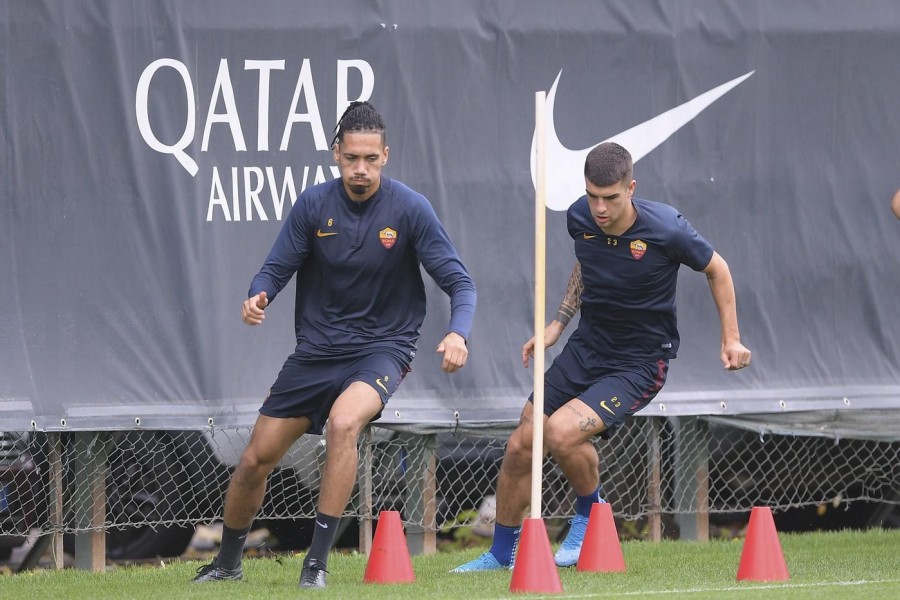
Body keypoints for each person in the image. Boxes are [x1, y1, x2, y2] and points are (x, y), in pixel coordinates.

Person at [193, 101, 476, 588]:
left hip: (383, 350)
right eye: (351, 159)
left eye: (370, 159)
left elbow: (460, 283)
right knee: (254, 459)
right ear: (335, 155)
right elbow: (275, 267)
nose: (360, 170)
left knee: (344, 424)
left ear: (385, 155)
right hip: (316, 354)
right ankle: (227, 564)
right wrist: (257, 296)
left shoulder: (410, 209)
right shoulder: (313, 205)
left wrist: (458, 332)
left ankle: (316, 566)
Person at [453, 142, 751, 572]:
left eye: (610, 197)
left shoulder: (667, 228)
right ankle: (502, 554)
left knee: (558, 433)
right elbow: (584, 266)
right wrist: (558, 323)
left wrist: (731, 339)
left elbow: (717, 269)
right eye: (593, 195)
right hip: (587, 348)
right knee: (521, 444)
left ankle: (590, 514)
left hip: (640, 363)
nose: (600, 207)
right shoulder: (580, 217)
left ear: (631, 188)